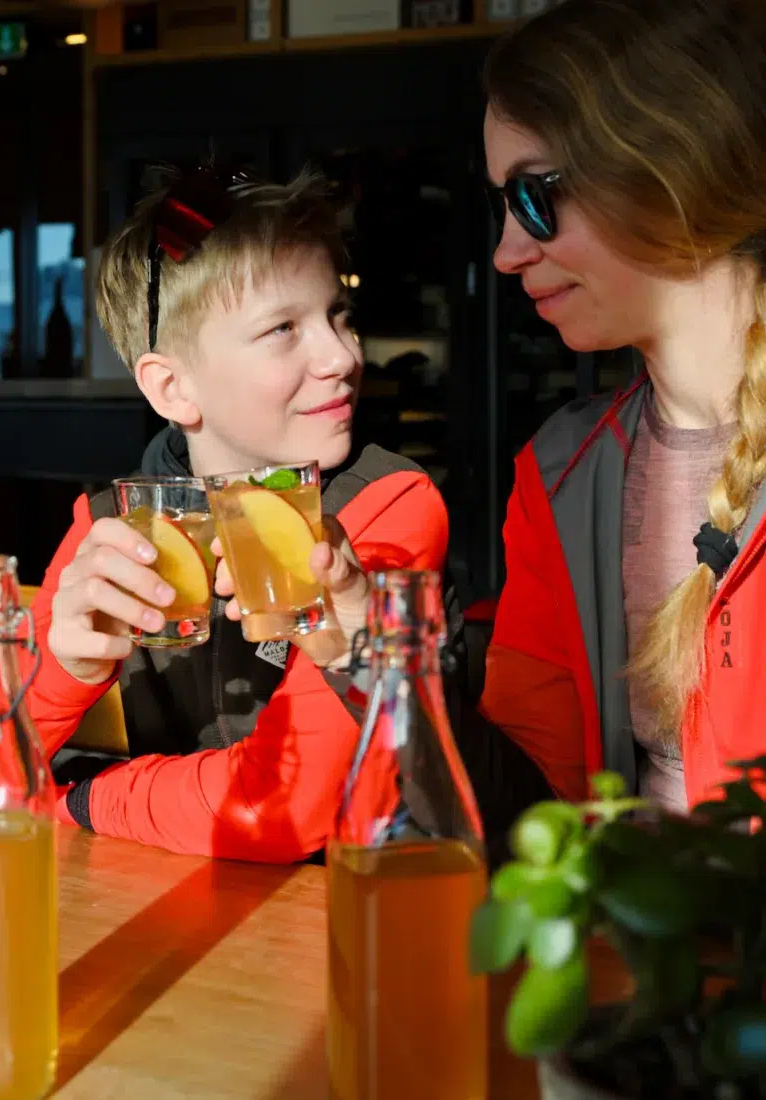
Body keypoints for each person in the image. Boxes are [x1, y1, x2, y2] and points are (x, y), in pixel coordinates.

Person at [277, 0, 766, 815]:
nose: (507, 252)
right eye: (503, 205)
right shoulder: (565, 468)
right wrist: (371, 644)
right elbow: (527, 810)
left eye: (535, 195)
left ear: (674, 166)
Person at [0, 165, 451, 862]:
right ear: (172, 387)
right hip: (185, 908)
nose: (342, 356)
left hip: (356, 914)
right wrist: (66, 671)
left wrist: (71, 797)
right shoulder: (111, 523)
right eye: (284, 329)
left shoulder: (386, 507)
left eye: (337, 315)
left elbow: (280, 810)